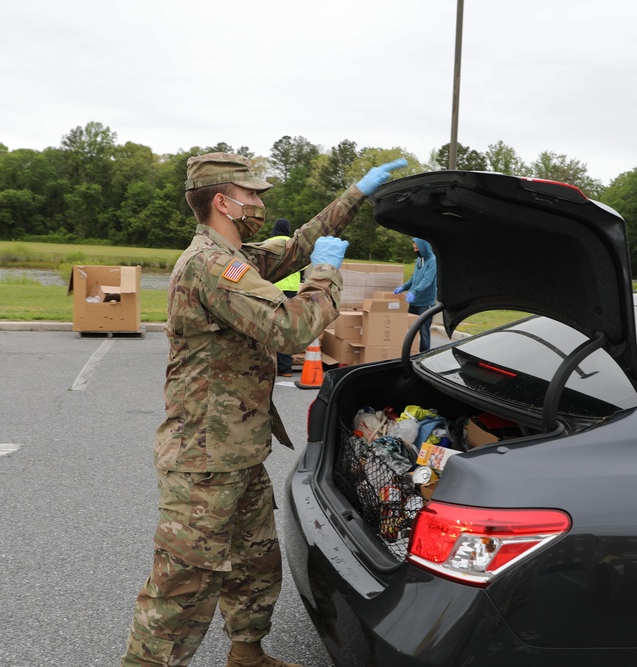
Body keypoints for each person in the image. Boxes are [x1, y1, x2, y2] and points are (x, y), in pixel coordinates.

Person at [120, 152, 408, 667]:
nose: (259, 203)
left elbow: (296, 243)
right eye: (251, 195)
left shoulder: (236, 255)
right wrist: (326, 271)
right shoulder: (213, 265)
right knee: (183, 582)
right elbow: (291, 328)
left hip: (237, 446)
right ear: (223, 202)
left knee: (254, 563)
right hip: (204, 457)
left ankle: (247, 654)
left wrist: (356, 194)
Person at [266, 218, 301, 377]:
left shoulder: (268, 243)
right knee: (286, 328)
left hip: (271, 290)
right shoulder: (294, 244)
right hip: (291, 292)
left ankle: (269, 366)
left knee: (269, 326)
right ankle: (285, 369)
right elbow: (304, 264)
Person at [394, 237, 437, 352]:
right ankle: (409, 353)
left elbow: (427, 280)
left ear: (424, 247)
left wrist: (414, 292)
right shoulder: (419, 260)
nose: (415, 250)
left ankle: (424, 356)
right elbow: (414, 278)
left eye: (417, 248)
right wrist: (404, 287)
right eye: (414, 248)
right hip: (413, 302)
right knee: (409, 331)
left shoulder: (433, 261)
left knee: (424, 333)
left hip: (425, 304)